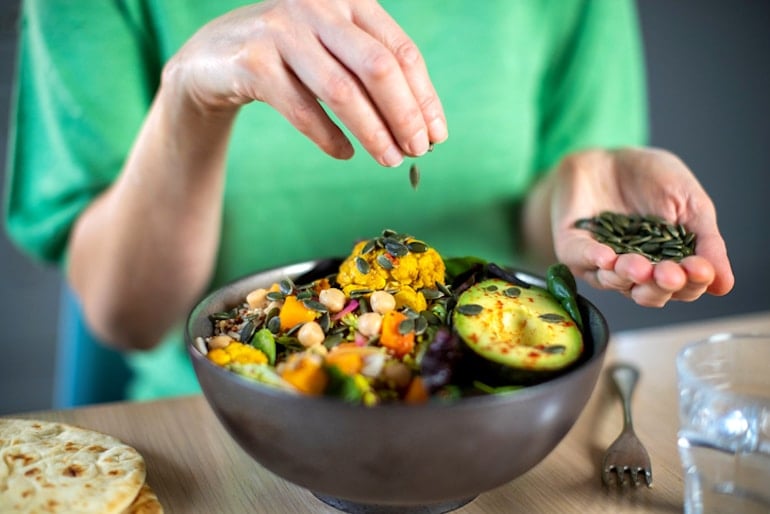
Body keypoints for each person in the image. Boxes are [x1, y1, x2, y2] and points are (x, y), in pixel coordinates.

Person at [4, 0, 734, 401]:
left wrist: (580, 184)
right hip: (223, 421)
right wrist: (189, 96)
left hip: (493, 407)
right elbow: (124, 316)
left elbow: (546, 239)